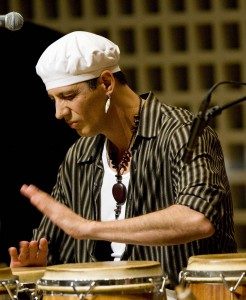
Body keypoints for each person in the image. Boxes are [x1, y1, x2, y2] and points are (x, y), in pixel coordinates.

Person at [8, 31, 237, 288]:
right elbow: (54, 241)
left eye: (69, 97)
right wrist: (37, 270)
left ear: (106, 83)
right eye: (54, 100)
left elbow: (197, 218)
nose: (59, 113)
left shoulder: (182, 133)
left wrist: (89, 228)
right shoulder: (79, 155)